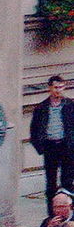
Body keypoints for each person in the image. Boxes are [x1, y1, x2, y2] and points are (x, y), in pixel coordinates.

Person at [29, 76, 74, 214]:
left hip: (66, 146)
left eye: (61, 87)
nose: (58, 91)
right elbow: (34, 129)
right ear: (49, 88)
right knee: (51, 183)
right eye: (55, 87)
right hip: (50, 146)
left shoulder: (70, 105)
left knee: (67, 181)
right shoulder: (42, 107)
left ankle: (68, 212)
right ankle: (52, 214)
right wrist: (40, 147)